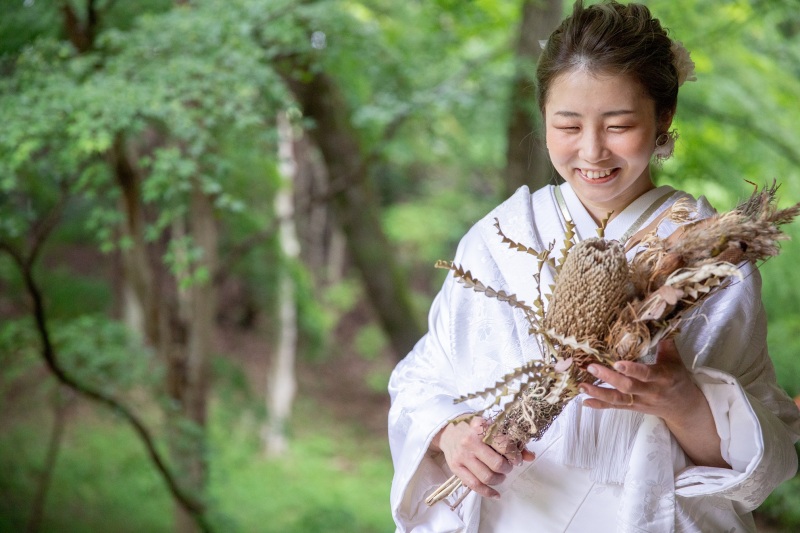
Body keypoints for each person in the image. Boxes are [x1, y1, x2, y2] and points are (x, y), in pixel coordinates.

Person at [387, 1, 800, 532]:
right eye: (567, 124)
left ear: (663, 118)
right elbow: (423, 380)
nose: (591, 150)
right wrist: (450, 433)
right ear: (543, 118)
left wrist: (681, 402)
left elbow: (759, 463)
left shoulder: (713, 256)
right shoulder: (500, 237)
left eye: (619, 124)